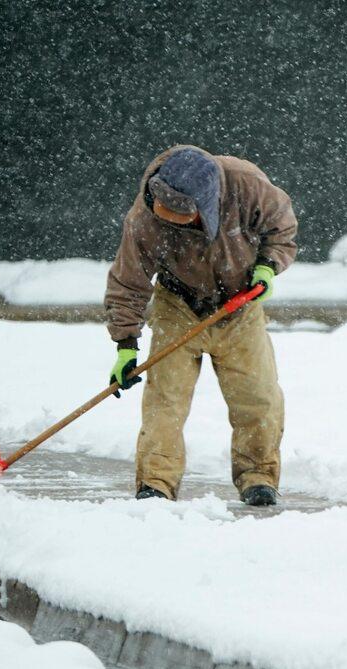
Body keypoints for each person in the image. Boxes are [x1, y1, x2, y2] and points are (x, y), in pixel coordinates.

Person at [104, 144, 296, 506]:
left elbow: (282, 229)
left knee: (258, 398)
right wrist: (126, 345)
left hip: (240, 305)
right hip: (178, 304)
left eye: (184, 216)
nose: (168, 220)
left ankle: (258, 476)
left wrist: (268, 266)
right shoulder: (143, 220)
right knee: (166, 402)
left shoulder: (248, 186)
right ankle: (156, 483)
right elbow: (129, 281)